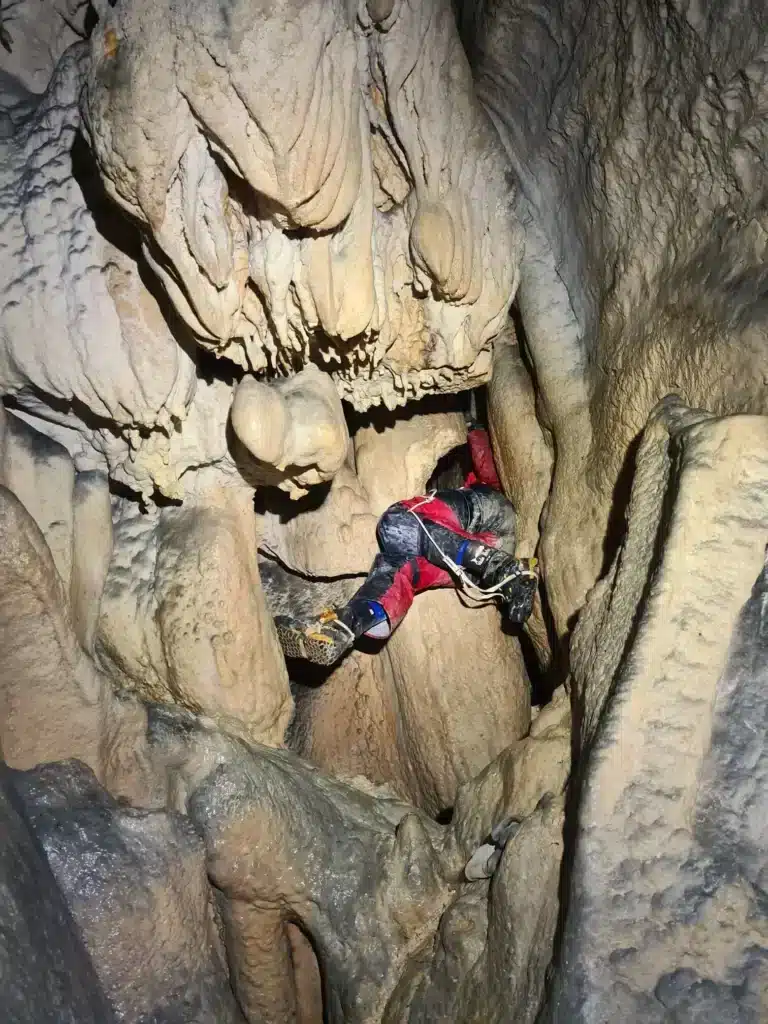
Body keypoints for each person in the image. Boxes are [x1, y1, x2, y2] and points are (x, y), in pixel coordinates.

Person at [275, 423, 538, 666]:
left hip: (493, 518)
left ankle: (504, 568)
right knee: (399, 567)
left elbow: (488, 464)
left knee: (398, 521)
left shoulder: (487, 487)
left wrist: (474, 430)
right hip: (476, 569)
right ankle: (346, 624)